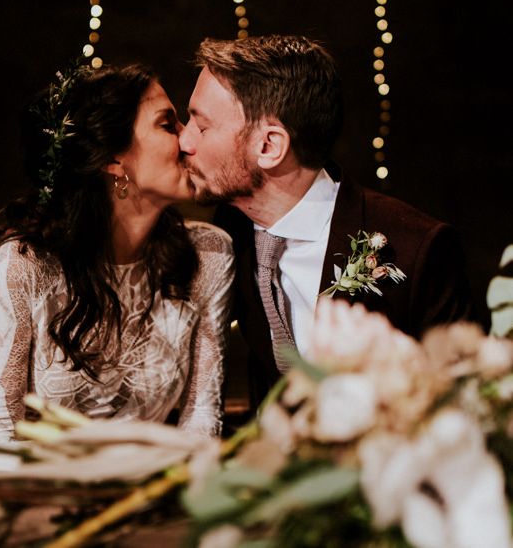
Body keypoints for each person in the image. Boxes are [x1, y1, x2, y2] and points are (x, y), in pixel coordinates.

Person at [179, 34, 475, 409]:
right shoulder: (228, 233)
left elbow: (464, 406)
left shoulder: (418, 250)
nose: (184, 140)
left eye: (201, 126)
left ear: (269, 147)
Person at [0, 60, 235, 445]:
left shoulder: (208, 255)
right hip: (24, 482)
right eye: (167, 124)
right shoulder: (24, 266)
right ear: (113, 159)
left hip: (137, 488)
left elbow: (202, 420)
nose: (189, 140)